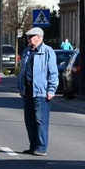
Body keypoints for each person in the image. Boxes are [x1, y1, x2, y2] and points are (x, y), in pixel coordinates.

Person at [18, 27, 59, 156]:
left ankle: (41, 147)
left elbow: (53, 72)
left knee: (40, 119)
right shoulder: (27, 51)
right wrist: (20, 86)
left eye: (31, 37)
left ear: (39, 38)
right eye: (28, 37)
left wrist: (51, 90)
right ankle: (33, 145)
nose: (28, 39)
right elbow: (22, 71)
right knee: (29, 119)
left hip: (41, 91)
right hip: (28, 89)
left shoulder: (48, 51)